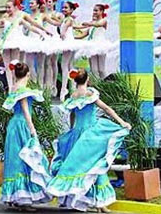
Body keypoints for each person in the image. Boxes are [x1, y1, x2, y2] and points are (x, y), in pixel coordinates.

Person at [46, 69, 131, 213]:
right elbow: (106, 108)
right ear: (87, 79)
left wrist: (72, 130)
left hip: (77, 135)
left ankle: (91, 202)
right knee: (96, 167)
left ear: (75, 81)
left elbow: (72, 116)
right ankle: (99, 204)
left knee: (83, 168)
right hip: (91, 134)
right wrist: (122, 122)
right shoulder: (90, 94)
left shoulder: (73, 96)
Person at [0, 61, 52, 211]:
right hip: (22, 124)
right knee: (26, 158)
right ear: (28, 74)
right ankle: (23, 199)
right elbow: (25, 110)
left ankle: (16, 196)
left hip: (14, 125)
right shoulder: (23, 89)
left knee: (16, 159)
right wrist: (32, 128)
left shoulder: (14, 88)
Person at [0, 0, 50, 91]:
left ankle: (16, 85)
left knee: (14, 65)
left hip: (16, 42)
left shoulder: (19, 19)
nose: (7, 9)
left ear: (15, 7)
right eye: (6, 7)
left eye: (9, 7)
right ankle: (10, 88)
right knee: (7, 66)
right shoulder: (4, 19)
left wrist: (43, 31)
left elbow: (32, 26)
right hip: (7, 43)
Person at [76, 4, 117, 79]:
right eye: (93, 10)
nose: (94, 12)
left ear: (101, 11)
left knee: (101, 69)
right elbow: (83, 34)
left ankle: (105, 85)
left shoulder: (104, 21)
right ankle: (96, 86)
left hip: (100, 45)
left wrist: (89, 23)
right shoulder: (92, 24)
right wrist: (72, 35)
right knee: (94, 69)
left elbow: (98, 24)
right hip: (92, 46)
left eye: (96, 10)